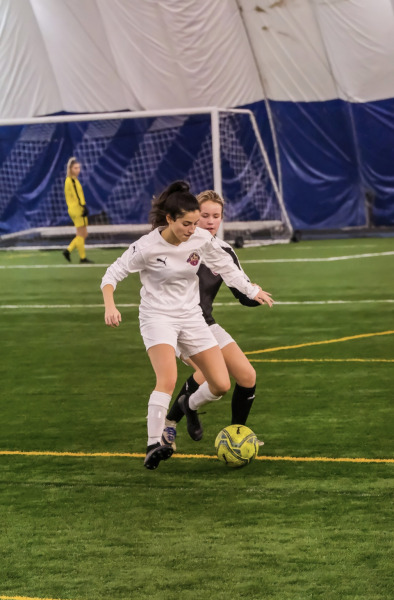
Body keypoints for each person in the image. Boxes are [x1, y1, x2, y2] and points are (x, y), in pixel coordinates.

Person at [100, 181, 273, 470]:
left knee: (220, 384)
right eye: (187, 223)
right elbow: (112, 274)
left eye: (197, 223)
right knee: (167, 379)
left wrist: (252, 291)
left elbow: (227, 267)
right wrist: (110, 304)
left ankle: (187, 406)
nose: (194, 229)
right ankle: (155, 443)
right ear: (170, 219)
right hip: (157, 316)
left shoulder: (200, 239)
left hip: (192, 317)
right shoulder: (147, 246)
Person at [163, 190, 261, 446]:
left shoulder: (224, 251)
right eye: (204, 215)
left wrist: (255, 295)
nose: (210, 221)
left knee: (247, 376)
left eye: (215, 216)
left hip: (205, 322)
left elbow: (241, 292)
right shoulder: (178, 245)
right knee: (208, 375)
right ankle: (170, 423)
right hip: (178, 325)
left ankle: (237, 436)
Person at [62, 157, 93, 264]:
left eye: (79, 168)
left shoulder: (72, 180)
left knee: (83, 234)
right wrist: (83, 207)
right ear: (70, 169)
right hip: (78, 209)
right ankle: (71, 252)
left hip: (74, 209)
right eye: (75, 168)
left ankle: (78, 255)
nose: (78, 170)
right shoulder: (71, 181)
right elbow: (77, 196)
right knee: (81, 234)